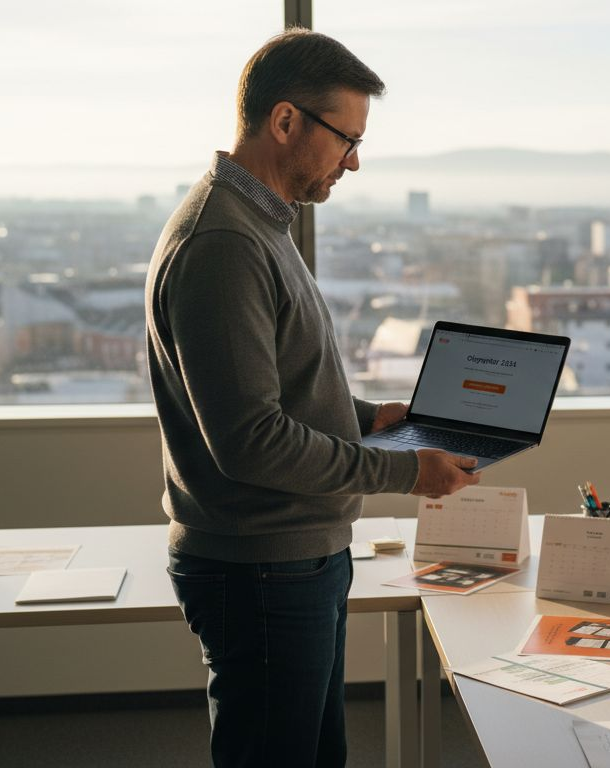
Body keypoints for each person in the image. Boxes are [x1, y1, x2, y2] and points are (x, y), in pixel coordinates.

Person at [144, 29, 481, 767]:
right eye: (346, 139)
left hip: (294, 559)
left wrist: (369, 419)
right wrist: (405, 471)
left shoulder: (259, 224)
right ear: (286, 121)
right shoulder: (224, 242)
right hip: (262, 566)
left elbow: (277, 385)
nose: (353, 161)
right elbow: (251, 440)